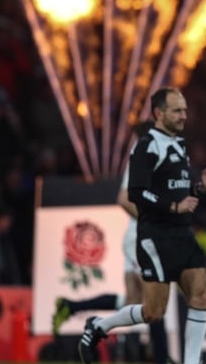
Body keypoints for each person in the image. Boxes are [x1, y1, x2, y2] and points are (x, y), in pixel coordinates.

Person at [77, 88, 206, 364]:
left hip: (182, 233)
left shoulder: (179, 144)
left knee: (200, 295)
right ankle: (99, 326)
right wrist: (172, 208)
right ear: (159, 113)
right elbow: (135, 193)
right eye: (177, 111)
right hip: (155, 236)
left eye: (185, 110)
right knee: (154, 312)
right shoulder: (145, 146)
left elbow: (176, 190)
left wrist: (201, 188)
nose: (184, 116)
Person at [53, 121, 172, 364]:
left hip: (141, 237)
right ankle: (162, 359)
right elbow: (123, 198)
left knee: (134, 302)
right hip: (141, 238)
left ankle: (86, 316)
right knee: (155, 303)